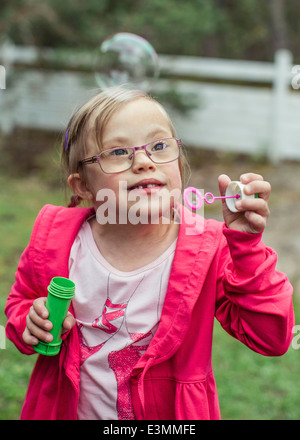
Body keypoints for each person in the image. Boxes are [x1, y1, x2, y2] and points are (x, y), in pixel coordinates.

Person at [5, 86, 294, 420]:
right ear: (82, 186)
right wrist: (30, 319)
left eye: (159, 146)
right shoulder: (55, 242)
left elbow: (272, 337)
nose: (143, 161)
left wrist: (246, 248)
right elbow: (21, 303)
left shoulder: (207, 248)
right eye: (117, 153)